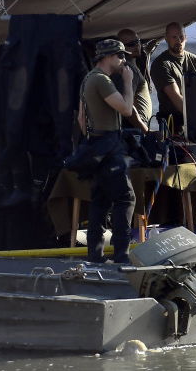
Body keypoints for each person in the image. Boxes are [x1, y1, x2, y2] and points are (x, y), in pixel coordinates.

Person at [77, 38, 136, 263]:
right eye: (120, 56)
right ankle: (122, 255)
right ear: (109, 57)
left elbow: (81, 120)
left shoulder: (87, 79)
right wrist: (128, 82)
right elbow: (127, 109)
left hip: (95, 145)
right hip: (109, 146)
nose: (123, 61)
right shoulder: (101, 80)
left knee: (100, 201)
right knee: (125, 198)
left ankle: (96, 254)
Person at [151, 22, 196, 135]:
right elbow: (175, 96)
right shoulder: (161, 64)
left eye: (181, 37)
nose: (178, 41)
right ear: (166, 39)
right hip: (172, 123)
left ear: (186, 38)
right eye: (174, 37)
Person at [113, 28, 152, 130]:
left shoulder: (133, 65)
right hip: (134, 129)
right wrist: (145, 130)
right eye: (131, 45)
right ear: (121, 48)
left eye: (137, 42)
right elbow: (126, 103)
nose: (136, 46)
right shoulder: (128, 69)